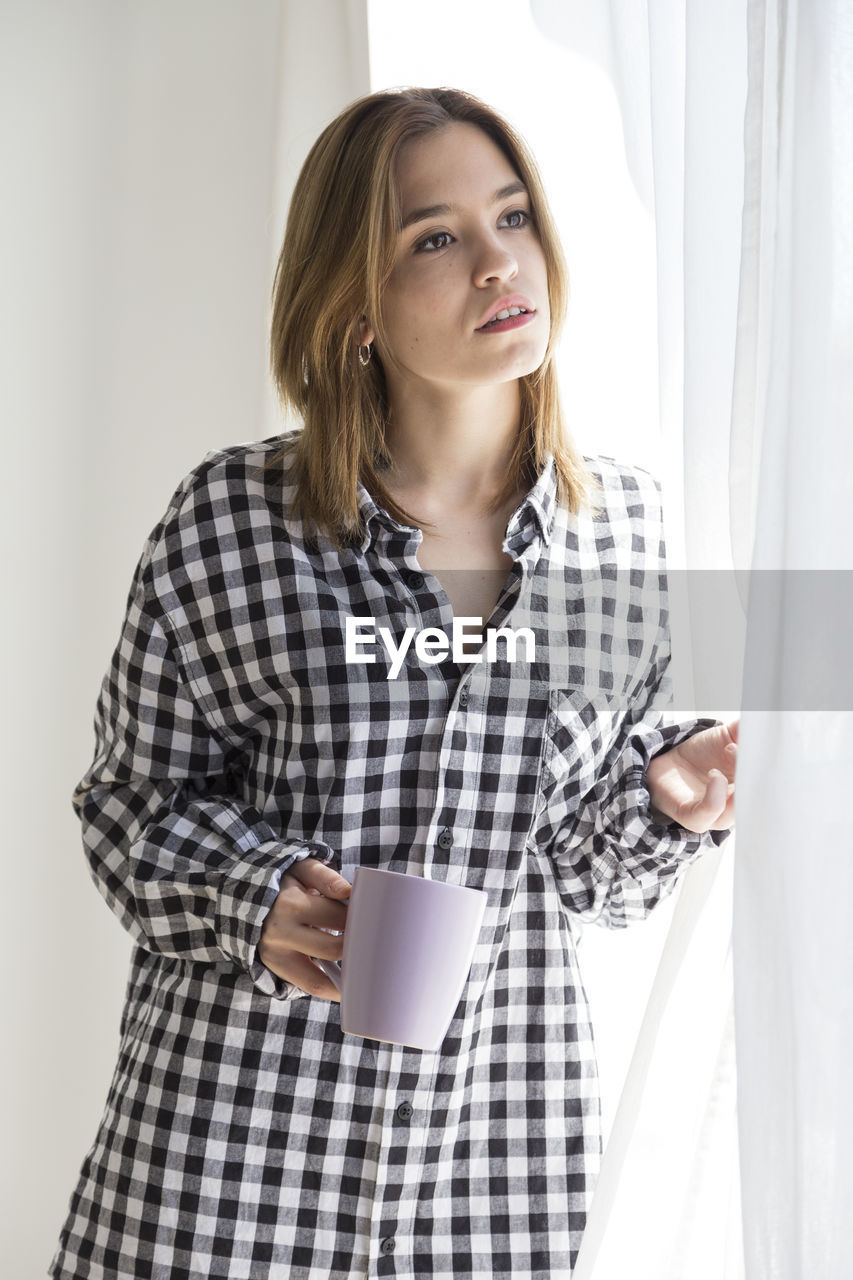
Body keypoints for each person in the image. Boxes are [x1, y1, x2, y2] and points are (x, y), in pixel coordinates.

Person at [50, 87, 737, 1280]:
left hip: (492, 1163)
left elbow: (587, 874)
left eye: (512, 215)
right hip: (229, 1160)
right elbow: (128, 806)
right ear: (354, 304)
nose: (494, 262)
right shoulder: (235, 521)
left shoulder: (623, 531)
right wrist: (260, 898)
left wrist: (670, 802)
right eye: (435, 236)